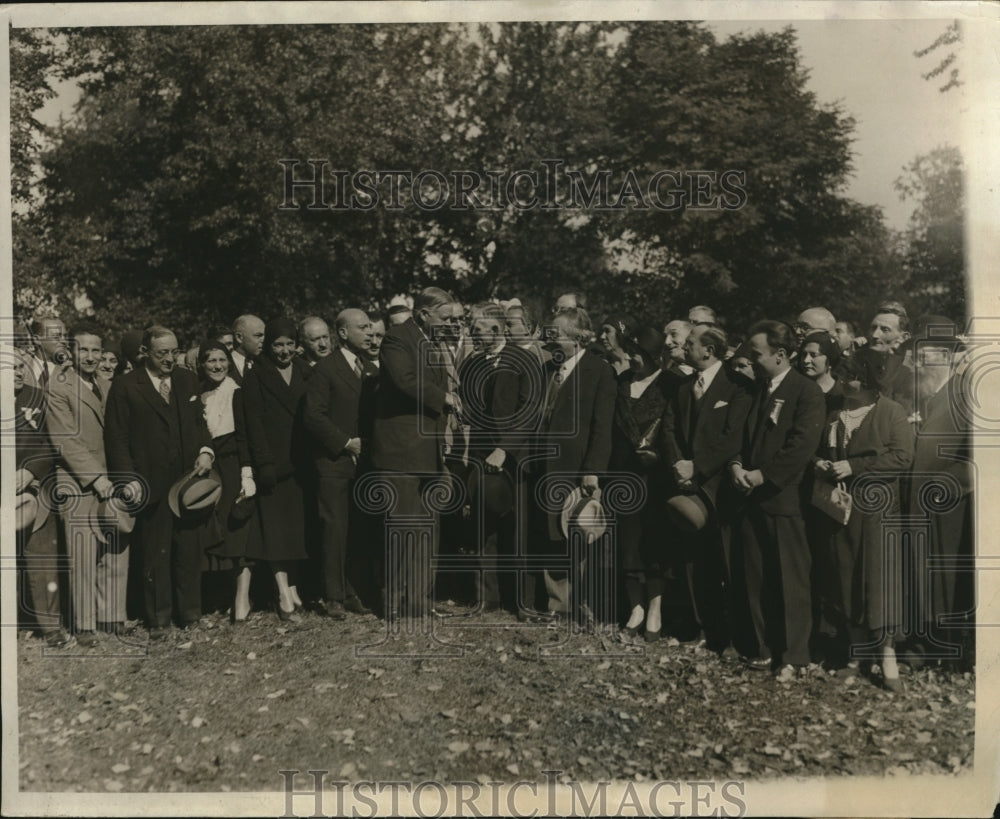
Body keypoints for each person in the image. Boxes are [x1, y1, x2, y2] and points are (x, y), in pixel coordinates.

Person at [726, 320, 825, 676]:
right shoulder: (759, 390)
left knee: (790, 581)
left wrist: (763, 475)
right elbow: (742, 437)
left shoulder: (806, 392)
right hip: (750, 499)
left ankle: (795, 656)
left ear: (781, 355)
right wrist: (737, 465)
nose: (750, 360)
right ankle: (763, 648)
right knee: (755, 579)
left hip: (784, 502)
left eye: (756, 354)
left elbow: (800, 446)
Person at [104, 325, 216, 639]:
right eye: (161, 353)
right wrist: (127, 479)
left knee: (188, 550)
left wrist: (206, 451)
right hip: (150, 483)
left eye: (173, 351)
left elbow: (199, 423)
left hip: (188, 481)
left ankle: (191, 612)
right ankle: (158, 620)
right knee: (156, 552)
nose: (169, 359)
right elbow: (117, 439)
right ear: (146, 353)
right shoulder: (126, 386)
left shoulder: (186, 379)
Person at [812, 354, 913, 691]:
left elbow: (902, 456)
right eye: (841, 375)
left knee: (878, 584)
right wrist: (822, 465)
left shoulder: (891, 412)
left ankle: (887, 659)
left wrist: (854, 468)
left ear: (869, 381)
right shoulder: (834, 414)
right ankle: (855, 657)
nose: (843, 382)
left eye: (851, 376)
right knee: (845, 577)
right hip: (841, 510)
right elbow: (816, 452)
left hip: (878, 513)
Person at [371, 287, 463, 621]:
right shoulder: (397, 338)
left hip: (430, 454)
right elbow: (403, 380)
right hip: (400, 455)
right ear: (424, 314)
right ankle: (394, 603)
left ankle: (420, 602)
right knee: (401, 529)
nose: (452, 323)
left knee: (428, 531)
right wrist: (445, 398)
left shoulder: (435, 343)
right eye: (446, 317)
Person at [660, 324, 752, 654]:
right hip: (687, 489)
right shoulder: (683, 387)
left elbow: (733, 437)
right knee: (692, 564)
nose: (683, 349)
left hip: (720, 493)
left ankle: (731, 638)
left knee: (726, 564)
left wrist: (696, 468)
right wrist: (678, 466)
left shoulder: (738, 387)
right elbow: (668, 428)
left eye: (690, 344)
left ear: (708, 351)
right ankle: (701, 630)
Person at [527, 307, 616, 625]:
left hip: (576, 467)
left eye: (557, 335)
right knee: (552, 535)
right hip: (545, 467)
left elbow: (602, 426)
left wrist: (593, 469)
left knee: (577, 534)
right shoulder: (547, 369)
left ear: (578, 339)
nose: (551, 342)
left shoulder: (599, 371)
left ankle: (582, 603)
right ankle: (557, 604)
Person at [457, 303, 544, 613]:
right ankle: (486, 598)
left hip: (516, 459)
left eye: (477, 331)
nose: (472, 335)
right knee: (484, 527)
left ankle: (523, 602)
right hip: (482, 457)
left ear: (495, 331)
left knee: (518, 530)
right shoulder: (471, 363)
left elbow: (529, 411)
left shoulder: (525, 360)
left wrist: (505, 448)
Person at [46, 323, 128, 646]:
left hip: (110, 479)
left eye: (97, 350)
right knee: (82, 552)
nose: (92, 357)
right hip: (78, 481)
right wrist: (97, 478)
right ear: (71, 350)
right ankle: (84, 625)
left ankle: (112, 617)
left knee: (114, 547)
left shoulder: (107, 384)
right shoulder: (60, 386)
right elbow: (65, 441)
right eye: (84, 350)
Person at [904, 316, 973, 670]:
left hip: (950, 508)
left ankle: (950, 651)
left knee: (948, 580)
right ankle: (923, 647)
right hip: (917, 506)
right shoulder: (925, 398)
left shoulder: (965, 394)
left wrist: (946, 488)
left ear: (947, 356)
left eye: (924, 354)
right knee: (922, 577)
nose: (918, 362)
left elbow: (978, 460)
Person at [303, 309, 377, 619]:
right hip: (334, 462)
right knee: (334, 529)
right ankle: (332, 596)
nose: (370, 333)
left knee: (359, 529)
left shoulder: (371, 368)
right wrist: (346, 443)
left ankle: (352, 591)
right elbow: (313, 416)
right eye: (363, 328)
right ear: (343, 333)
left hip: (365, 464)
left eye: (371, 327)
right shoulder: (325, 369)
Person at [241, 318, 312, 620]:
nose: (284, 351)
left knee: (296, 531)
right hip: (272, 465)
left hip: (302, 464)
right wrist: (263, 464)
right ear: (269, 347)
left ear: (297, 346)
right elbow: (252, 424)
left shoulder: (307, 372)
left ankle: (293, 587)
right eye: (277, 345)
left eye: (289, 344)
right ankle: (282, 593)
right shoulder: (256, 376)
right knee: (275, 532)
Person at [608, 327, 676, 641]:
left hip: (656, 477)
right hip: (623, 475)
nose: (632, 358)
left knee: (656, 543)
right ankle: (634, 605)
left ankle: (655, 607)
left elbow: (676, 431)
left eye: (638, 353)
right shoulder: (621, 383)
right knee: (628, 543)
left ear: (654, 355)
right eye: (630, 352)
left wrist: (659, 455)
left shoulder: (671, 384)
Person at [11, 347, 70, 647]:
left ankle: (51, 628)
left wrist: (31, 473)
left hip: (34, 491)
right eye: (9, 368)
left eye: (21, 367)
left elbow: (55, 443)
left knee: (42, 557)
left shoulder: (37, 397)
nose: (18, 373)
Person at [196, 341, 256, 621]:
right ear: (202, 365)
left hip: (234, 463)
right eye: (211, 361)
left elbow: (246, 435)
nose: (218, 366)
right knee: (218, 531)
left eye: (222, 360)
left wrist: (246, 472)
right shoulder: (198, 395)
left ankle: (242, 598)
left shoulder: (237, 391)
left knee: (238, 529)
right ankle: (224, 594)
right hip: (211, 465)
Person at [854, 301, 913, 409]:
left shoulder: (908, 375)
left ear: (904, 338)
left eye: (885, 330)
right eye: (873, 328)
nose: (875, 335)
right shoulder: (859, 366)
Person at [797, 331, 844, 413]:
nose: (806, 360)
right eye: (804, 354)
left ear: (830, 358)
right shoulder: (797, 387)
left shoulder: (842, 393)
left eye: (813, 355)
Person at [230, 314, 266, 384]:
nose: (263, 340)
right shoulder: (223, 364)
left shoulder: (264, 364)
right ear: (239, 337)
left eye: (265, 336)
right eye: (258, 335)